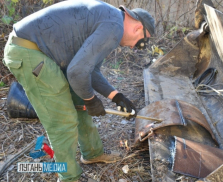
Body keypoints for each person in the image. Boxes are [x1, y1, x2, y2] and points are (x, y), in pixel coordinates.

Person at [3, 0, 155, 181]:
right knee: (63, 120)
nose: (134, 47)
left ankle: (92, 153)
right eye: (141, 43)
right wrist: (91, 100)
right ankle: (69, 177)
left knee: (79, 102)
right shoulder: (114, 26)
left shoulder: (110, 19)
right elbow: (77, 72)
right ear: (138, 28)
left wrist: (117, 97)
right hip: (28, 52)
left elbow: (90, 70)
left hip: (46, 53)